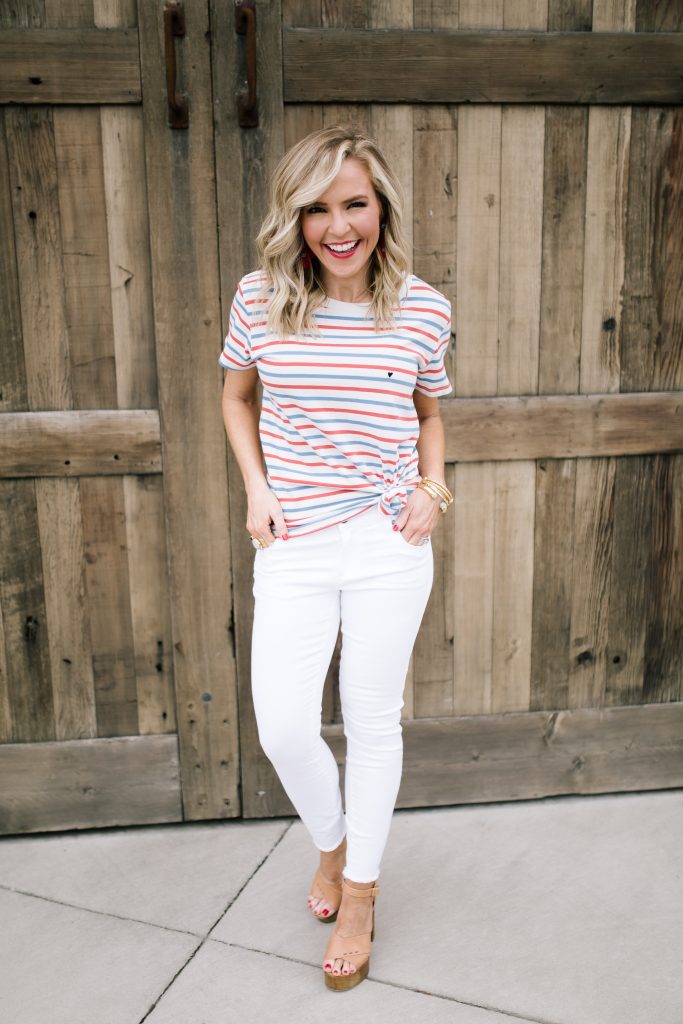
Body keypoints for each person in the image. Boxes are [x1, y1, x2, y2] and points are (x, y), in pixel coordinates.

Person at [219, 125, 454, 991]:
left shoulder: (423, 307)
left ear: (380, 208)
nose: (336, 225)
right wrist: (256, 488)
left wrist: (434, 490)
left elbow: (429, 413)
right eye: (316, 208)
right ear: (296, 218)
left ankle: (358, 891)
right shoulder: (261, 299)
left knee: (370, 719)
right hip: (295, 540)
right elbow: (235, 397)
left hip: (391, 541)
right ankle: (334, 842)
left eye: (353, 203)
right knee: (283, 723)